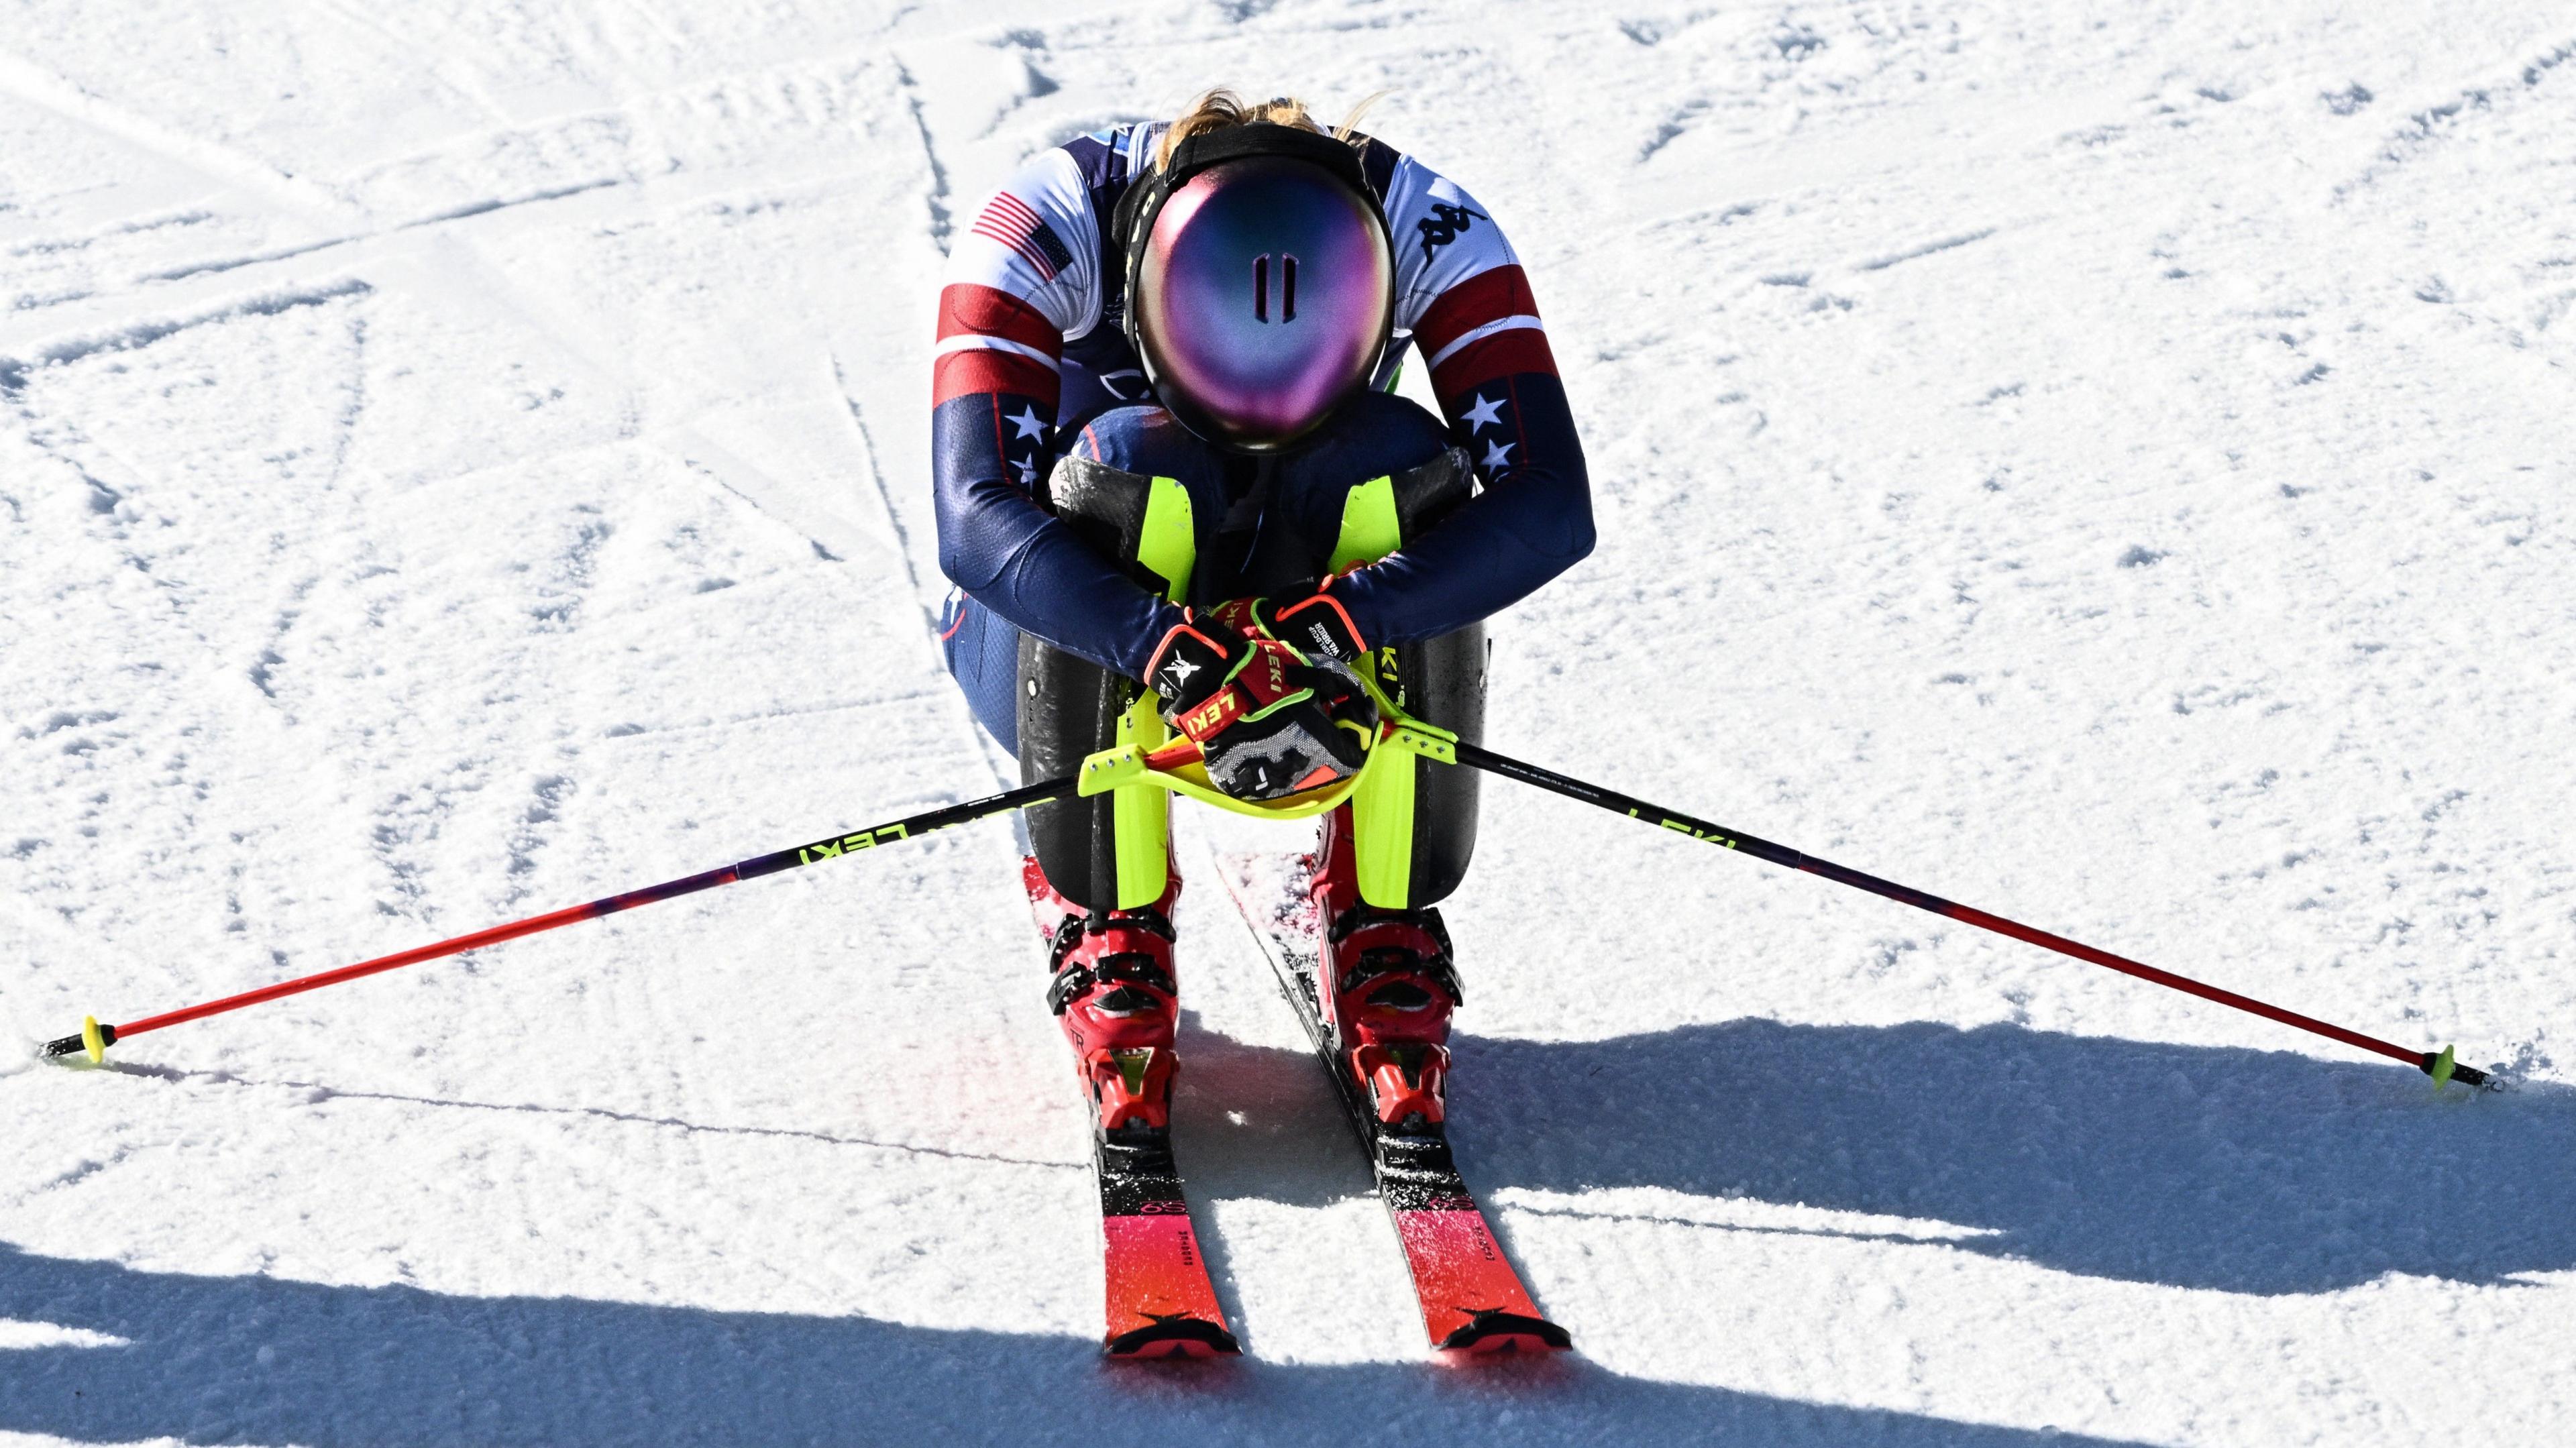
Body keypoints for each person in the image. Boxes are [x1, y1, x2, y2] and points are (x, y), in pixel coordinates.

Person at [930, 90, 1593, 1145]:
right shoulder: (1046, 220)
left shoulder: (1428, 222)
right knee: (1134, 466)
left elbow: (1552, 504)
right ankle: (1111, 913)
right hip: (1078, 612)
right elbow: (972, 523)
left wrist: (1337, 623)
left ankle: (1386, 907)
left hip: (1307, 587)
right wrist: (1170, 649)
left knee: (1398, 460)